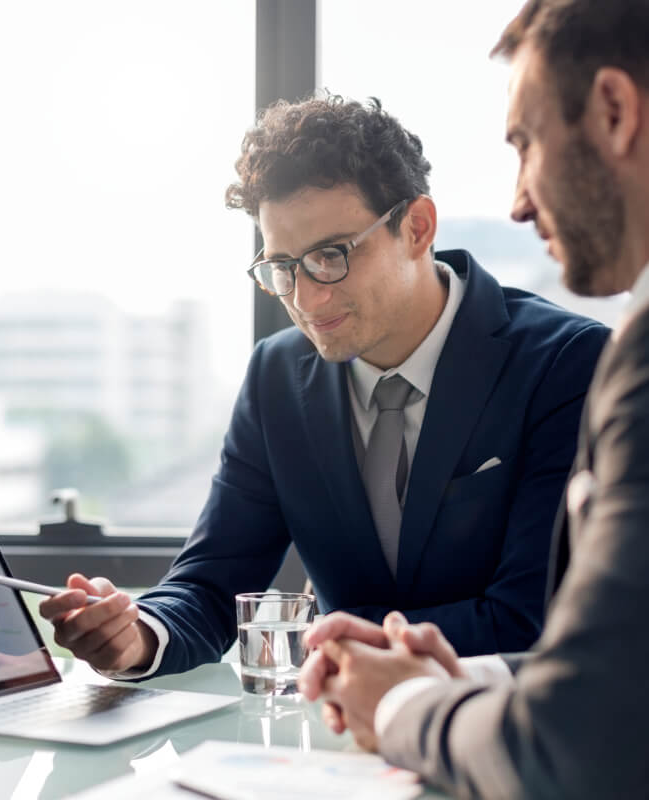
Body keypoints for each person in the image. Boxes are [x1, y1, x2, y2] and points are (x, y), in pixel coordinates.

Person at [39, 94, 607, 678]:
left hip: (501, 734)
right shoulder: (276, 377)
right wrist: (136, 635)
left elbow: (533, 618)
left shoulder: (566, 364)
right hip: (334, 739)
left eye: (331, 256)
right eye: (282, 267)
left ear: (416, 227)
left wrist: (336, 648)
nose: (307, 299)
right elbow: (211, 584)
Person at [299, 2, 649, 798]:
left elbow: (574, 747)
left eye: (525, 144)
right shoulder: (277, 378)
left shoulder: (611, 359)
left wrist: (400, 703)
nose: (520, 201)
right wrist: (457, 672)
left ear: (615, 112)